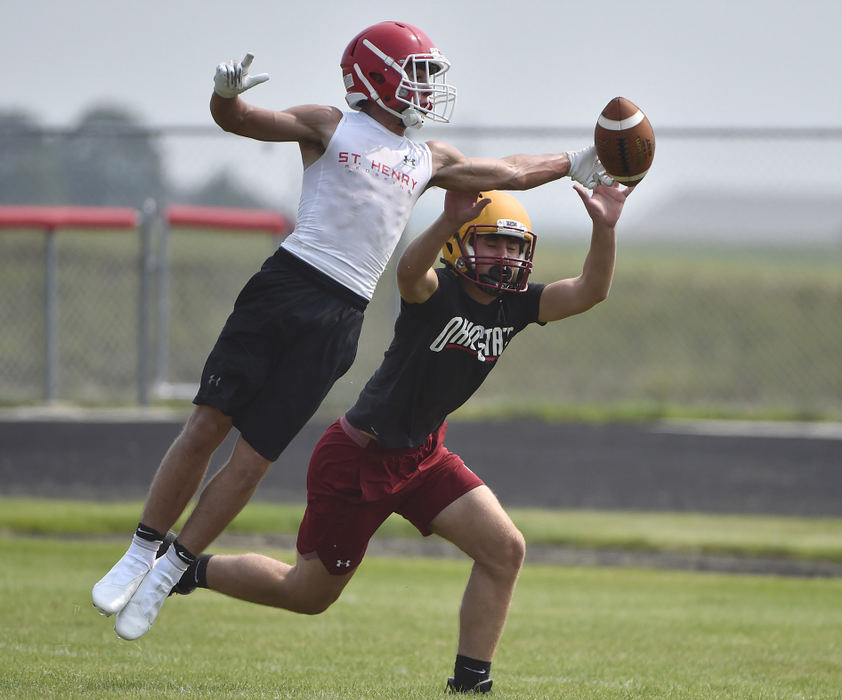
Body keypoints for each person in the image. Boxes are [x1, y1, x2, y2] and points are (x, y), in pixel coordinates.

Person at [92, 19, 613, 643]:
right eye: (418, 75)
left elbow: (510, 172)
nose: (427, 90)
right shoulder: (330, 123)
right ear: (375, 73)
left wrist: (576, 161)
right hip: (287, 285)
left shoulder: (430, 157)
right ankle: (140, 549)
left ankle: (170, 569)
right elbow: (243, 122)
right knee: (208, 423)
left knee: (254, 458)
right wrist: (223, 96)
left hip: (342, 316)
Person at [162, 182, 632, 694]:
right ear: (459, 244)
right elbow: (409, 272)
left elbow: (592, 290)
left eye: (515, 246)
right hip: (360, 460)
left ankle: (470, 684)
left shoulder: (514, 306)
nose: (506, 257)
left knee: (504, 550)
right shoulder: (437, 290)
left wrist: (604, 225)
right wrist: (445, 221)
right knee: (308, 593)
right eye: (493, 242)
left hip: (424, 454)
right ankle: (187, 570)